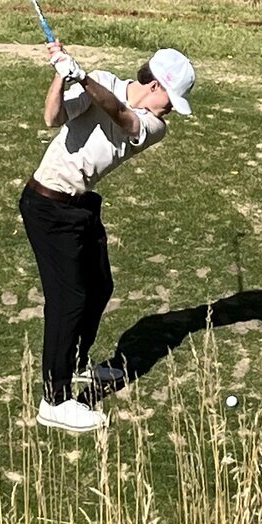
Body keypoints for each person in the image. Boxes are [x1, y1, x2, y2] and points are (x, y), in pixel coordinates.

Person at [21, 40, 197, 433]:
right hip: (46, 204)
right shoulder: (98, 81)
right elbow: (52, 118)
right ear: (154, 86)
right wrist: (60, 74)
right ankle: (55, 399)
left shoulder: (154, 126)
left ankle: (77, 364)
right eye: (171, 99)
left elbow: (120, 114)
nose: (172, 109)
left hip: (79, 205)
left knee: (99, 286)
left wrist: (81, 77)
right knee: (69, 299)